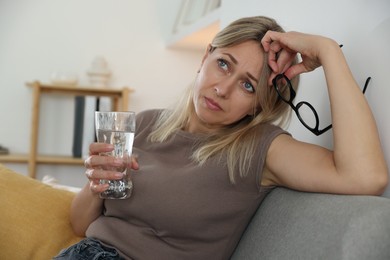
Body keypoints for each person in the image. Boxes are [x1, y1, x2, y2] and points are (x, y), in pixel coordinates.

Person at [54, 16, 388, 260]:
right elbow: (82, 224)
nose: (222, 89)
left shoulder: (259, 148)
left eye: (247, 85)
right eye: (223, 64)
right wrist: (96, 182)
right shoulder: (144, 123)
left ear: (261, 103)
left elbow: (367, 176)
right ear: (205, 58)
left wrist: (329, 52)